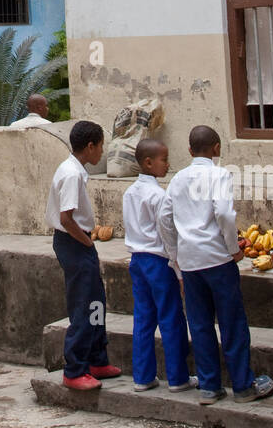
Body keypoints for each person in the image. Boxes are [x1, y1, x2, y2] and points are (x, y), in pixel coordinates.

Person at [159, 125, 273, 405]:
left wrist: (175, 256)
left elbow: (164, 218)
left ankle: (210, 386)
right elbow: (223, 212)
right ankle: (243, 386)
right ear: (217, 148)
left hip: (189, 261)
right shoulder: (219, 174)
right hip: (217, 260)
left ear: (189, 150)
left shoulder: (178, 179)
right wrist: (233, 249)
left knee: (199, 324)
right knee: (232, 322)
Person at [45, 120, 121, 390]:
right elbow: (66, 219)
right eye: (101, 146)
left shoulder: (74, 170)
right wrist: (87, 243)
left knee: (96, 302)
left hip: (79, 242)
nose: (102, 152)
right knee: (83, 305)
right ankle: (75, 369)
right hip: (73, 243)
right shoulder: (72, 174)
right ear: (90, 146)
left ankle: (97, 358)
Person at [122, 138, 194, 393]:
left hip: (137, 260)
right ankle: (177, 378)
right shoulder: (158, 195)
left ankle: (143, 377)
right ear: (148, 162)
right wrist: (178, 267)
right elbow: (167, 234)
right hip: (158, 261)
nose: (168, 164)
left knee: (143, 318)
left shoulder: (130, 192)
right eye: (164, 160)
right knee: (171, 317)